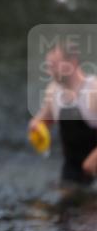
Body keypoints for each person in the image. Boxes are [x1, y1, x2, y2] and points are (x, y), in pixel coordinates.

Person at [29, 43, 97, 187]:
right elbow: (45, 118)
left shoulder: (93, 91)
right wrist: (37, 125)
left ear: (71, 62)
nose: (49, 71)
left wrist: (93, 159)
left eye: (54, 65)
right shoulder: (53, 90)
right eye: (48, 66)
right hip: (72, 170)